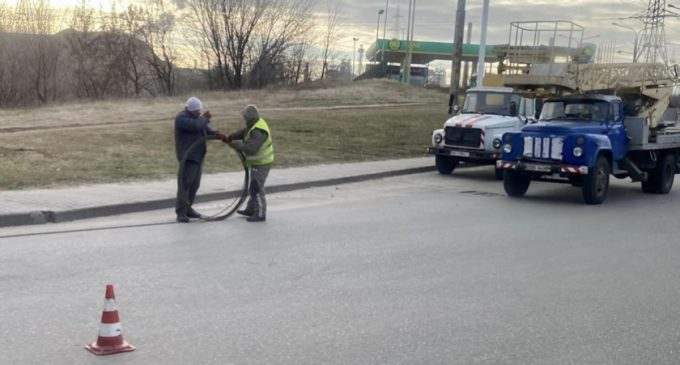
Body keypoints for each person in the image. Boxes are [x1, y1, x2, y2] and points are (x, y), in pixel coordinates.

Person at [175, 97, 226, 223]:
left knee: (194, 185)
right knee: (185, 185)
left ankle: (188, 208)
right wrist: (205, 118)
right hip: (188, 157)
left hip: (198, 156)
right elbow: (196, 126)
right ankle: (181, 212)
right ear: (190, 109)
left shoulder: (196, 118)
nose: (199, 113)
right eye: (197, 111)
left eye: (199, 111)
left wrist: (216, 134)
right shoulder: (181, 118)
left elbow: (204, 129)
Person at [227, 105, 274, 222]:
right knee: (253, 186)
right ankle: (250, 209)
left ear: (249, 118)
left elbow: (251, 149)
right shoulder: (253, 125)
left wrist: (237, 145)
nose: (244, 119)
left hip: (262, 163)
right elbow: (244, 132)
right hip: (257, 162)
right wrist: (231, 136)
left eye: (245, 117)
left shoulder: (259, 130)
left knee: (257, 188)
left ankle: (260, 214)